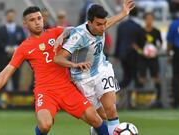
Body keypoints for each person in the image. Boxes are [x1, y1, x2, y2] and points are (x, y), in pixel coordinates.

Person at [0, 6, 109, 135]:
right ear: (25, 24)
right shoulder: (24, 47)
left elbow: (76, 30)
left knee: (96, 119)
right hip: (45, 91)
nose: (37, 22)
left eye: (39, 18)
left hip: (67, 87)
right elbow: (7, 71)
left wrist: (64, 33)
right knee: (45, 125)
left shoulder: (55, 32)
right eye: (32, 20)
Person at [54, 1, 135, 135]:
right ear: (89, 22)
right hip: (83, 78)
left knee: (111, 109)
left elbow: (111, 21)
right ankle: (96, 131)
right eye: (99, 24)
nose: (103, 28)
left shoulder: (101, 25)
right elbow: (58, 58)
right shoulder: (79, 36)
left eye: (104, 24)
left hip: (102, 70)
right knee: (101, 116)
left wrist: (123, 13)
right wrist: (75, 65)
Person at [0, 9, 26, 91]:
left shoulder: (19, 29)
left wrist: (15, 48)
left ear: (14, 17)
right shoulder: (1, 29)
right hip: (3, 58)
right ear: (6, 17)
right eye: (9, 16)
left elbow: (23, 41)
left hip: (16, 58)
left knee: (16, 79)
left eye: (12, 16)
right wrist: (6, 48)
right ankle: (2, 102)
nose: (10, 17)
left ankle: (15, 100)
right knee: (3, 80)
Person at [137, 12, 163, 108]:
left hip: (153, 58)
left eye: (151, 19)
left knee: (156, 77)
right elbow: (135, 45)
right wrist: (142, 52)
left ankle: (158, 100)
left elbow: (160, 44)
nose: (149, 21)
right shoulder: (140, 31)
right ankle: (139, 102)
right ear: (145, 20)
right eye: (147, 19)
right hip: (142, 58)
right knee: (142, 78)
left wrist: (155, 50)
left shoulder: (156, 31)